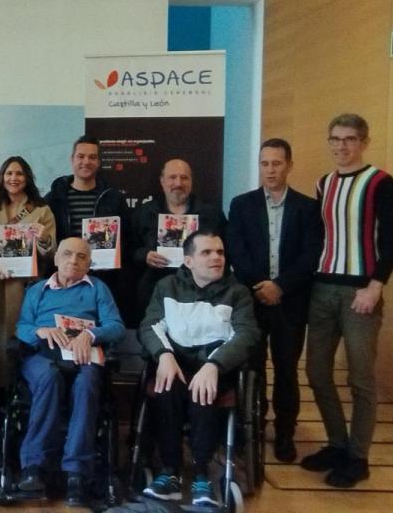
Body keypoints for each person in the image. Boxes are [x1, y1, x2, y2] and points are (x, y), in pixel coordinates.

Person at [299, 113, 393, 488]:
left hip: (362, 291)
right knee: (316, 373)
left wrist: (376, 286)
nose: (342, 146)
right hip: (322, 290)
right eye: (335, 139)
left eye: (350, 139)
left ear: (364, 142)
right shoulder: (323, 183)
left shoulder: (381, 182)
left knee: (360, 379)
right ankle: (336, 443)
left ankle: (358, 457)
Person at [138, 231, 259, 507]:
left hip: (217, 369)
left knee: (203, 391)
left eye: (220, 252)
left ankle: (202, 472)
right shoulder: (166, 286)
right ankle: (170, 471)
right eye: (207, 252)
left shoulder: (237, 292)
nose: (216, 257)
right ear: (189, 260)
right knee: (165, 385)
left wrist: (214, 364)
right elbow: (149, 326)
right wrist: (164, 355)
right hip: (176, 364)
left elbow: (246, 335)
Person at [226, 138, 321, 463]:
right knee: (252, 369)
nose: (270, 169)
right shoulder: (241, 204)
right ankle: (252, 426)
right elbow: (236, 250)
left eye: (276, 163)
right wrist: (259, 285)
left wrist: (279, 286)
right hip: (251, 301)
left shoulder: (308, 208)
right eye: (264, 163)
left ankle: (284, 433)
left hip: (290, 302)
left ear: (289, 165)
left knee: (286, 370)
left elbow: (311, 256)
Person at [13, 237, 124, 507]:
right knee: (48, 377)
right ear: (55, 259)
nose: (73, 261)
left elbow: (116, 327)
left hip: (83, 355)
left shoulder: (98, 289)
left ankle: (77, 473)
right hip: (43, 354)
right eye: (67, 254)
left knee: (87, 385)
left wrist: (91, 333)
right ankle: (35, 467)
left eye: (82, 257)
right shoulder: (38, 290)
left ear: (90, 263)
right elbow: (21, 327)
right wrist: (39, 330)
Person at [0, 155, 56, 391]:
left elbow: (51, 251)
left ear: (27, 177)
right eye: (9, 173)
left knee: (16, 338)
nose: (14, 178)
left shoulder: (41, 210)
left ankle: (16, 391)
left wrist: (44, 238)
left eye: (19, 173)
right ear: (1, 177)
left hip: (23, 286)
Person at [130, 159, 226, 321]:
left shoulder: (211, 214)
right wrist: (144, 255)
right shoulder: (144, 213)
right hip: (154, 292)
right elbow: (129, 248)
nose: (178, 183)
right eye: (172, 177)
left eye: (184, 178)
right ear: (162, 181)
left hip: (201, 293)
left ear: (191, 181)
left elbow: (226, 251)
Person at [44, 135, 129, 318]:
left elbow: (127, 239)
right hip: (65, 278)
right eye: (81, 156)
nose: (86, 162)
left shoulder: (114, 198)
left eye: (92, 157)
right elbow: (49, 241)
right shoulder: (53, 199)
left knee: (100, 330)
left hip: (103, 278)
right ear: (72, 159)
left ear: (99, 162)